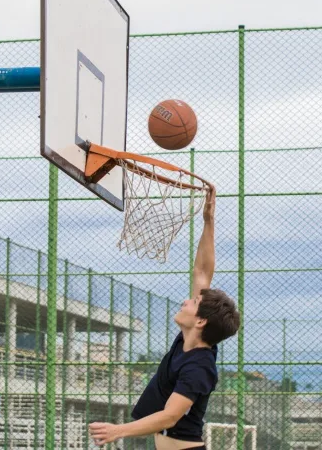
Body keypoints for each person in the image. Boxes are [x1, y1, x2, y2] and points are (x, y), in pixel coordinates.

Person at [89, 188, 240, 449]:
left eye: (193, 302)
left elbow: (170, 415)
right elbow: (202, 272)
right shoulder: (188, 341)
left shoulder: (199, 367)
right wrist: (208, 221)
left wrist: (118, 431)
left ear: (201, 321)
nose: (185, 300)